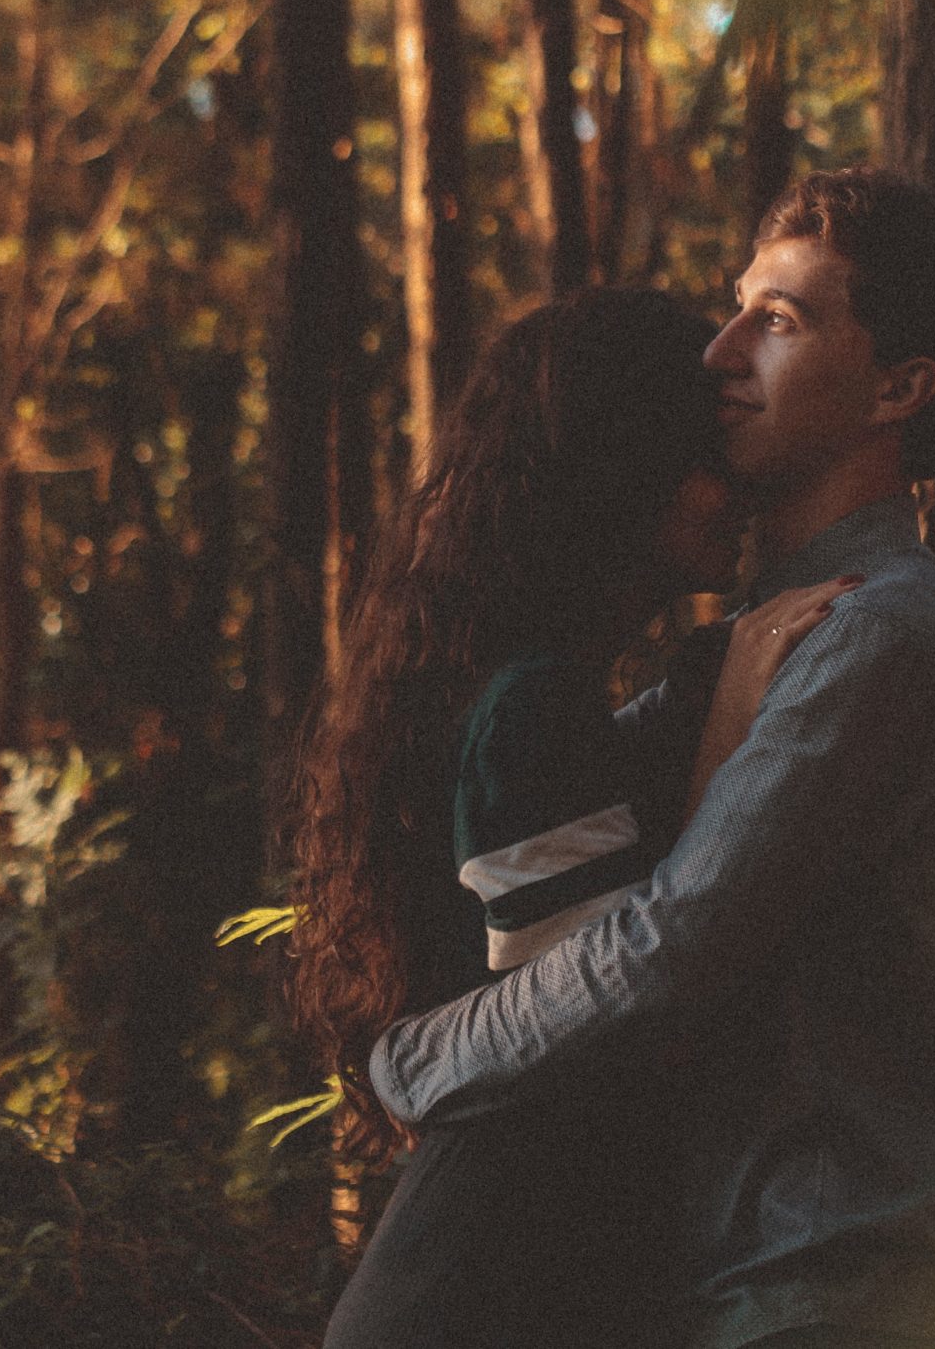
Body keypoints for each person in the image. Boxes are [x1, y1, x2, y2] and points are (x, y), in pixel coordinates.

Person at [372, 169, 935, 1349]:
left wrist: (418, 1064)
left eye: (779, 321)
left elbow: (670, 943)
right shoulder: (752, 638)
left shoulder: (875, 631)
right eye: (736, 308)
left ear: (899, 387)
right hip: (728, 1276)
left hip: (833, 1283)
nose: (720, 351)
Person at [288, 287, 858, 1349]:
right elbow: (612, 1011)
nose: (730, 485)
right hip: (481, 1284)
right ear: (622, 464)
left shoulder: (546, 695)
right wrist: (731, 724)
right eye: (703, 451)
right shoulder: (528, 704)